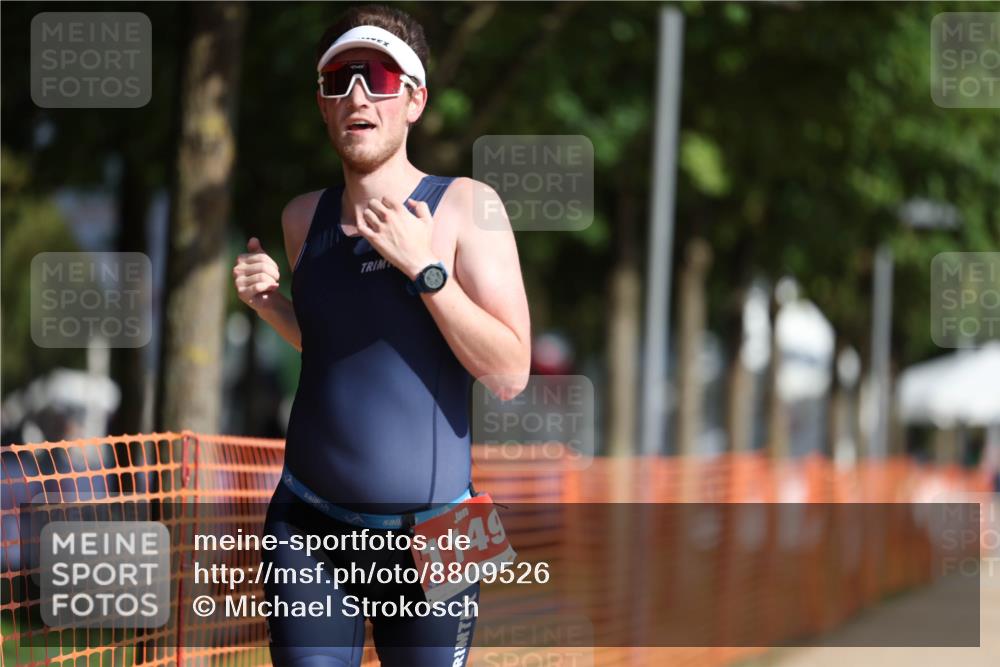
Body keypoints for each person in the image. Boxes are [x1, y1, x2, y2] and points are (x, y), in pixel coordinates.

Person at [231, 5, 531, 666]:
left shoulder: (464, 206)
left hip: (444, 528)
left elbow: (510, 372)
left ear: (415, 99)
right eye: (338, 79)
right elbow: (338, 344)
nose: (357, 95)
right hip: (309, 521)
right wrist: (270, 303)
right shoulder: (302, 217)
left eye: (379, 78)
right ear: (322, 103)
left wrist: (425, 268)